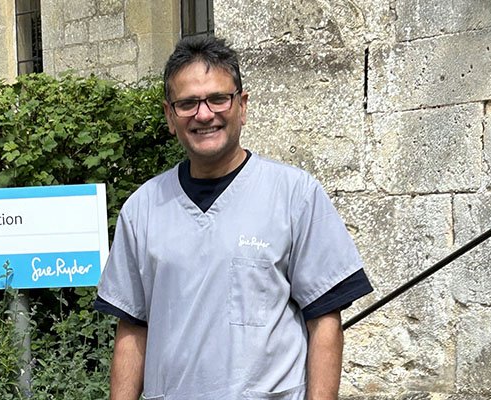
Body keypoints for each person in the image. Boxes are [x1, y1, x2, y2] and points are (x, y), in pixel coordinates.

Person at [94, 35, 373, 400]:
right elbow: (132, 329)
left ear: (241, 105)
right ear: (169, 116)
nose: (204, 114)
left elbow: (324, 320)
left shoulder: (294, 195)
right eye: (188, 103)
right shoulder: (143, 209)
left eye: (217, 98)